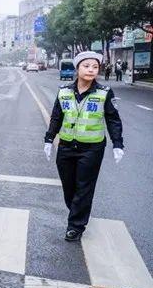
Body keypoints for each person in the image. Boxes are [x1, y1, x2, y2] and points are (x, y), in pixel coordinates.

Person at [44, 51, 124, 241]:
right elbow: (57, 116)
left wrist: (117, 143)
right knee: (69, 188)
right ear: (78, 68)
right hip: (65, 147)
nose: (91, 70)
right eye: (86, 66)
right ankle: (78, 211)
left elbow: (113, 119)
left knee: (84, 187)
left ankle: (75, 226)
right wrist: (49, 139)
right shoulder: (63, 91)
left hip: (91, 149)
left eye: (95, 67)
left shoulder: (104, 92)